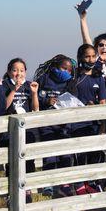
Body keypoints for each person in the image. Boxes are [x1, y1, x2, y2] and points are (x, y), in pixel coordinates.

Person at [0, 58, 39, 201]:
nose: (18, 73)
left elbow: (35, 108)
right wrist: (14, 90)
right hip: (9, 132)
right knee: (12, 164)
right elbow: (4, 107)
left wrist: (33, 93)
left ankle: (27, 192)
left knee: (28, 163)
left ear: (26, 72)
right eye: (15, 70)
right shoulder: (4, 85)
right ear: (9, 72)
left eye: (21, 70)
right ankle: (12, 194)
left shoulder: (29, 85)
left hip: (27, 131)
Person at [67, 44, 106, 194]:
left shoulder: (99, 77)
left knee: (94, 155)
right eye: (87, 56)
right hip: (77, 125)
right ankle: (79, 185)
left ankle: (92, 183)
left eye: (93, 56)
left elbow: (103, 102)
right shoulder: (74, 77)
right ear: (80, 58)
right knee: (79, 156)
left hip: (94, 125)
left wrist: (103, 127)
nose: (90, 59)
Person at [35, 54, 75, 197]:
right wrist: (47, 101)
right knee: (49, 152)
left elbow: (73, 98)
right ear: (55, 67)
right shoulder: (44, 79)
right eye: (64, 69)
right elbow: (36, 96)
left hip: (63, 123)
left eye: (69, 70)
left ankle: (65, 184)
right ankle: (48, 182)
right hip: (46, 123)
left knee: (65, 153)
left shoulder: (70, 82)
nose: (67, 72)